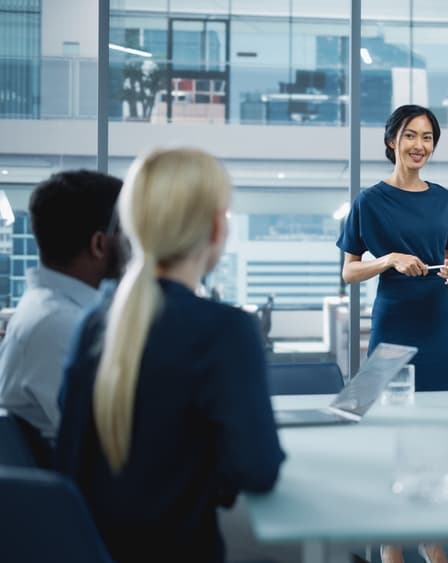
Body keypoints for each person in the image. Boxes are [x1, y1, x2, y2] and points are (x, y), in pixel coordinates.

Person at [54, 148, 285, 563]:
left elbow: (70, 461)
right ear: (217, 227)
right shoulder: (225, 329)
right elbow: (258, 470)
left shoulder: (94, 322)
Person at [337, 104, 448, 563]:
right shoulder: (369, 201)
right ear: (391, 140)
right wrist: (388, 259)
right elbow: (350, 272)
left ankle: (433, 542)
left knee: (434, 431)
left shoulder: (443, 198)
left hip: (437, 323)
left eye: (428, 137)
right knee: (391, 430)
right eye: (410, 135)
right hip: (392, 323)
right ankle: (391, 549)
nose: (419, 146)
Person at [0, 170, 124, 451]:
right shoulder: (58, 326)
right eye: (127, 234)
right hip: (86, 491)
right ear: (99, 244)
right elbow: (118, 440)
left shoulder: (55, 311)